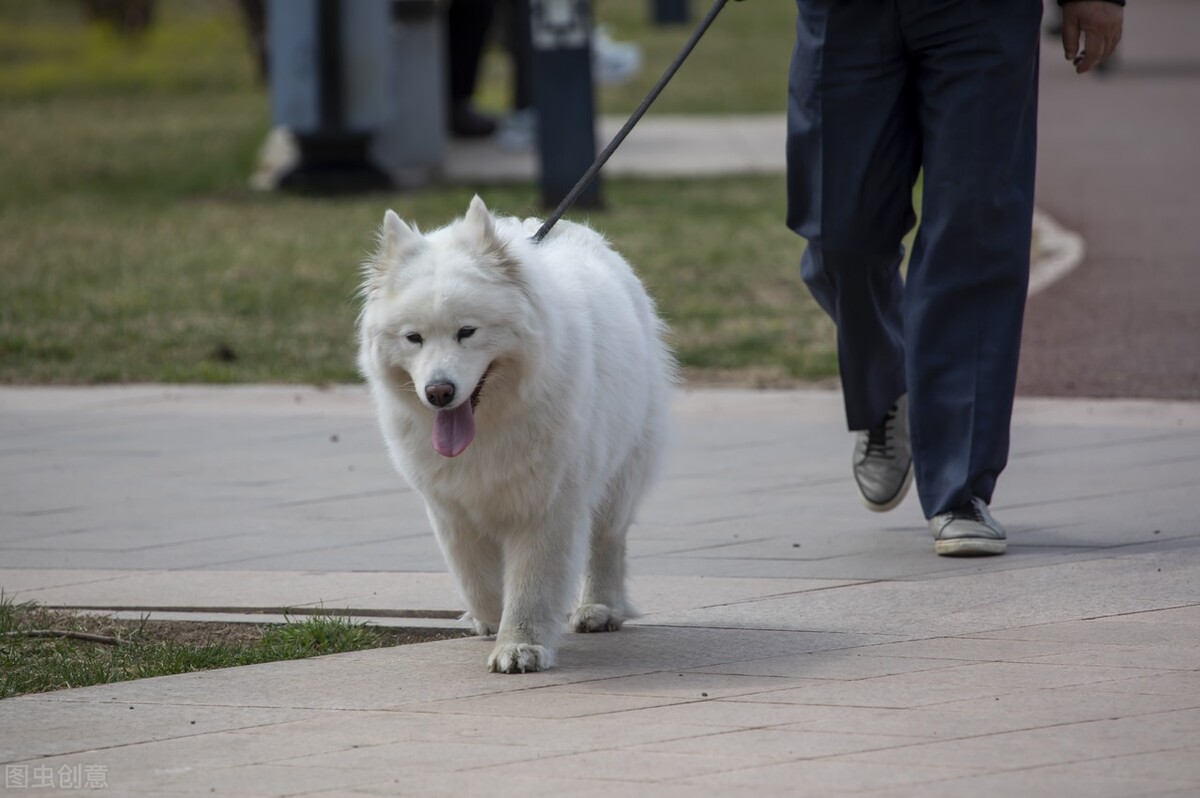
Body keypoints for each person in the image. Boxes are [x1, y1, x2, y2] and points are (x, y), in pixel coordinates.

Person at [785, 0, 1124, 556]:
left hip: (982, 14)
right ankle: (886, 386)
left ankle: (958, 489)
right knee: (837, 235)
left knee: (975, 228)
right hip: (844, 13)